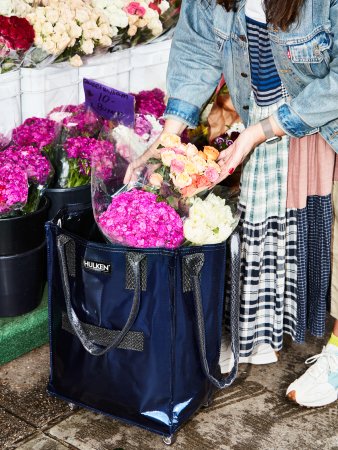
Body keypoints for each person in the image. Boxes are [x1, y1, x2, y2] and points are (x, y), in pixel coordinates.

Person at [124, 0, 338, 406]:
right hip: (271, 115)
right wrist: (166, 141)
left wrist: (262, 131)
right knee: (269, 226)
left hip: (326, 114)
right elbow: (197, 47)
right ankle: (260, 330)